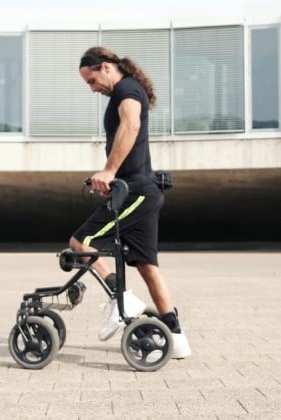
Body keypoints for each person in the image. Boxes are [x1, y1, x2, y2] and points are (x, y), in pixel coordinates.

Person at [71, 46, 191, 359]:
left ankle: (120, 297)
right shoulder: (125, 91)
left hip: (137, 191)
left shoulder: (127, 90)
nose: (92, 87)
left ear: (106, 67)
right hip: (141, 190)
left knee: (81, 242)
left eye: (91, 80)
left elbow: (131, 125)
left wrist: (110, 171)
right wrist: (113, 181)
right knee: (148, 266)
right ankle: (176, 339)